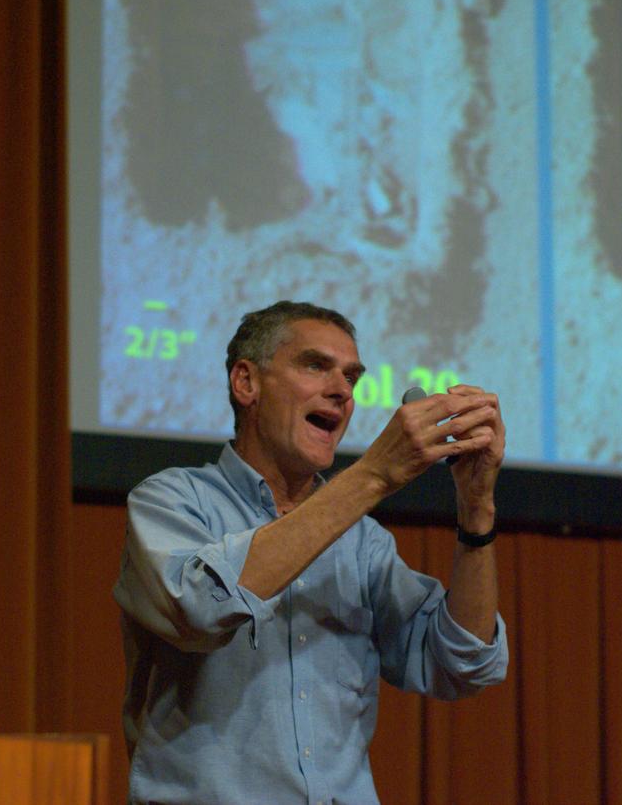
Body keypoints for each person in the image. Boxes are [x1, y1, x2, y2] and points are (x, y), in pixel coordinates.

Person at [114, 300, 508, 804]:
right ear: (246, 383)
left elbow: (463, 662)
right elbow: (201, 609)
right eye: (315, 365)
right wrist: (374, 474)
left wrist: (477, 510)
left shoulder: (362, 542)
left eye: (352, 376)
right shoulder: (172, 501)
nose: (342, 390)